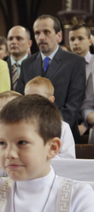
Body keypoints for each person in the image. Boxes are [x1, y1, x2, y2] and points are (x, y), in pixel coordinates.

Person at [16, 15, 86, 143]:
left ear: (59, 36)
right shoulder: (27, 63)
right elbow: (20, 100)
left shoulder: (75, 62)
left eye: (46, 32)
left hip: (63, 134)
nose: (41, 37)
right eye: (37, 33)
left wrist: (46, 128)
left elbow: (73, 105)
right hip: (29, 136)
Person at [24, 76, 76, 159]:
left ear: (51, 100)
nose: (32, 103)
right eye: (28, 98)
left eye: (38, 98)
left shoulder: (62, 127)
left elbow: (69, 159)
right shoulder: (21, 125)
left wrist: (42, 154)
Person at [69, 23, 94, 136]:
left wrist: (85, 125)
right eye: (72, 39)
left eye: (80, 38)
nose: (75, 43)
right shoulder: (66, 66)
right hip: (70, 123)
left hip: (90, 122)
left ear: (90, 41)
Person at [6, 26, 32, 90]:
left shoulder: (37, 64)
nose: (13, 42)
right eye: (10, 39)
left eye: (19, 38)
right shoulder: (1, 65)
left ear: (29, 43)